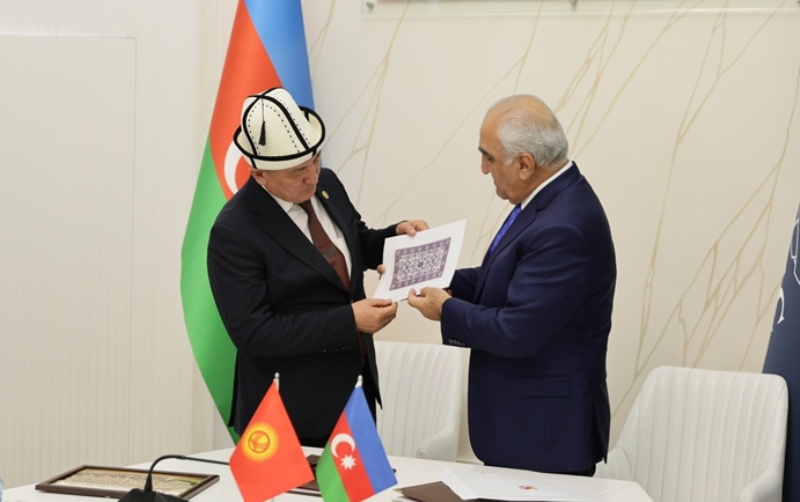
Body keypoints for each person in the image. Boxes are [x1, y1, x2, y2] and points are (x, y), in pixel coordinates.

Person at [407, 94, 616, 475]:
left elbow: (516, 331)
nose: (483, 168)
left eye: (489, 157)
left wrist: (446, 309)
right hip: (528, 428)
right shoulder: (550, 198)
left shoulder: (562, 226)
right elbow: (506, 279)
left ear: (524, 164)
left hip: (544, 435)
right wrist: (430, 275)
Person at [207, 87, 427, 446]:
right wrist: (350, 320)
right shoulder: (234, 231)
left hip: (355, 393)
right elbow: (254, 334)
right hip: (288, 411)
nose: (312, 176)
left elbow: (355, 241)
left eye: (316, 160)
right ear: (259, 174)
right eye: (297, 171)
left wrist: (395, 237)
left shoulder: (327, 184)